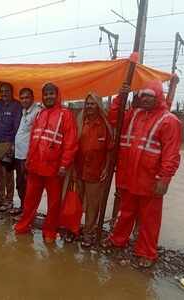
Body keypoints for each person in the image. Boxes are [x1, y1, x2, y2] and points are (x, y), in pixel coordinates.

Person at [102, 80, 182, 268]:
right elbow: (114, 118)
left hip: (150, 180)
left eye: (150, 96)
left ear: (158, 98)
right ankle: (118, 240)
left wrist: (164, 179)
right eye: (143, 95)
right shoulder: (134, 114)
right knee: (126, 213)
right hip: (129, 177)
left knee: (149, 219)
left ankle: (146, 252)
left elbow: (171, 154)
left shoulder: (169, 121)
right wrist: (121, 96)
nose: (145, 99)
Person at [15, 82, 78, 243]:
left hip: (55, 169)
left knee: (54, 204)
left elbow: (70, 143)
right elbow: (33, 140)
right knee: (29, 201)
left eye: (51, 93)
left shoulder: (66, 114)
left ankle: (50, 232)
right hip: (35, 166)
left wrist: (64, 165)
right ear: (42, 96)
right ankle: (23, 226)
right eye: (46, 94)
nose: (49, 96)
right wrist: (28, 161)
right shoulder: (40, 114)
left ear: (57, 95)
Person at [72, 92, 112, 247]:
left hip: (95, 171)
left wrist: (107, 168)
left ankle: (88, 232)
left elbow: (109, 150)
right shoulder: (80, 121)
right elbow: (73, 146)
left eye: (92, 103)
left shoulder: (105, 125)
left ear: (98, 105)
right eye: (87, 103)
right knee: (77, 202)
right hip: (79, 169)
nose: (89, 106)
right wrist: (73, 170)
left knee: (93, 205)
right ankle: (73, 228)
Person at [0, 82, 22, 212]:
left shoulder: (16, 105)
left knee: (8, 175)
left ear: (12, 92)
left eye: (6, 90)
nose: (4, 93)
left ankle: (9, 200)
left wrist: (13, 146)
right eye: (1, 91)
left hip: (8, 143)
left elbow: (17, 126)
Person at [11, 88, 41, 216]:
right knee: (21, 184)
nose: (24, 100)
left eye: (27, 97)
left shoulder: (38, 112)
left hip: (28, 156)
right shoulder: (24, 111)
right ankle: (24, 208)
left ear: (32, 98)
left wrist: (32, 155)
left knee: (28, 186)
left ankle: (29, 211)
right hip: (19, 154)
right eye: (22, 98)